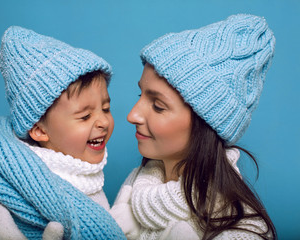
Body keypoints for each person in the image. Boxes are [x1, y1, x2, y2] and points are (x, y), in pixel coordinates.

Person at [110, 14, 277, 239]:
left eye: (158, 106)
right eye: (140, 94)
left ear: (207, 124)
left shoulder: (241, 231)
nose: (132, 115)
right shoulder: (135, 186)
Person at [0, 26, 125, 240]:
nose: (103, 121)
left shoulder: (82, 170)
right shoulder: (27, 189)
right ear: (38, 130)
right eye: (85, 116)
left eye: (106, 109)